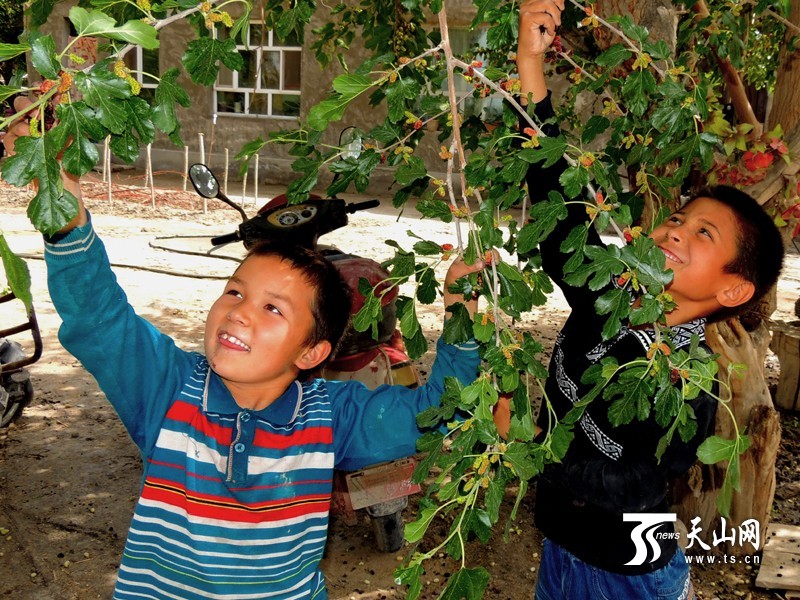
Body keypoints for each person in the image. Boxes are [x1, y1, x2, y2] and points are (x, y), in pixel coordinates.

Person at [2, 99, 483, 599]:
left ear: (312, 353)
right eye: (235, 291)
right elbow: (99, 318)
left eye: (273, 309)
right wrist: (60, 202)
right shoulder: (167, 390)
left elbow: (437, 411)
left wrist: (462, 315)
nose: (240, 311)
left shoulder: (330, 417)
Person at [515, 1, 785, 599]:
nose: (672, 232)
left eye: (701, 235)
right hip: (562, 548)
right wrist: (530, 66)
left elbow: (633, 484)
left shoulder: (688, 386)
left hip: (627, 576)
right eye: (679, 220)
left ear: (732, 289)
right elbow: (561, 220)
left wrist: (528, 452)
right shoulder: (611, 296)